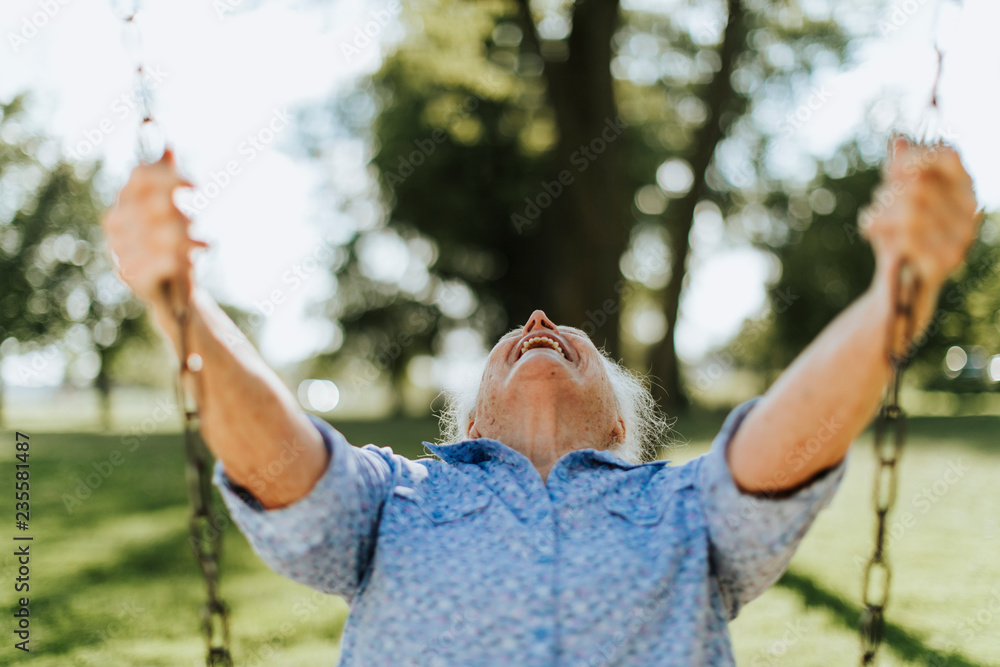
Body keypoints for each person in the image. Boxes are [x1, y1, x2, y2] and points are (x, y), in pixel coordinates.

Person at [101, 136, 980, 665]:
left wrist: (894, 297)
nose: (537, 320)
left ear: (617, 426)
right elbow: (283, 464)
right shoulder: (397, 498)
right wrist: (182, 308)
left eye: (575, 339)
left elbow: (785, 445)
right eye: (508, 340)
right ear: (473, 423)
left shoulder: (680, 507)